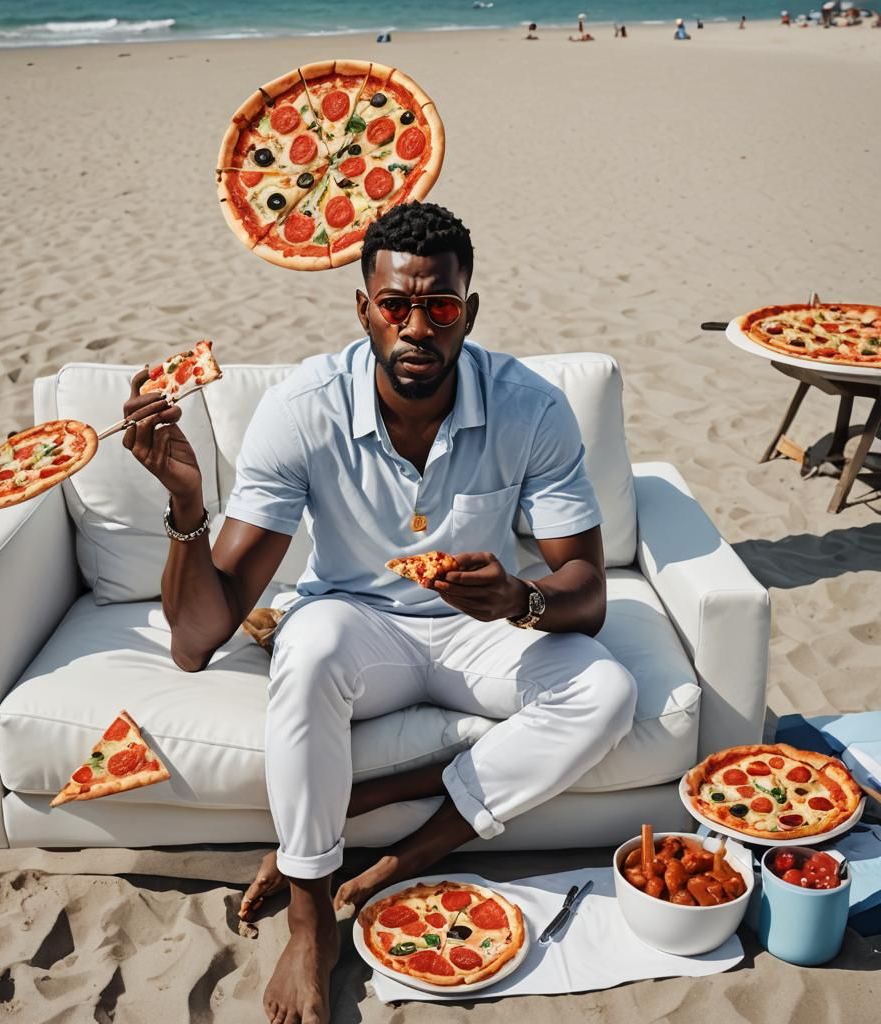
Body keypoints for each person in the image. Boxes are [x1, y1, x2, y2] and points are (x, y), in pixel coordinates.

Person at [122, 202, 637, 1024]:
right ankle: (307, 919)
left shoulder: (530, 407)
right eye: (395, 306)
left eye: (439, 307)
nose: (416, 329)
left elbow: (589, 591)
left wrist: (519, 597)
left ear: (468, 312)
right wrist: (188, 504)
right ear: (364, 308)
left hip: (482, 629)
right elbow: (196, 642)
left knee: (607, 691)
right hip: (362, 629)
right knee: (312, 643)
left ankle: (397, 857)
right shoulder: (303, 409)